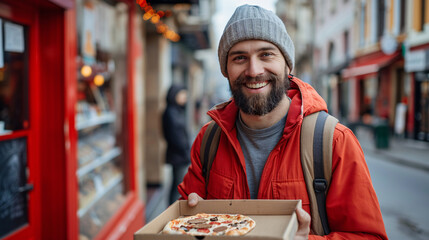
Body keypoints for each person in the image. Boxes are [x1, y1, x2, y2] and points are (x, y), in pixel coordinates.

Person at [177, 4, 388, 240]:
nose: (254, 70)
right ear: (226, 70)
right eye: (239, 58)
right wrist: (188, 216)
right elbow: (184, 222)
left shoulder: (335, 142)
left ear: (288, 64)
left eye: (266, 54)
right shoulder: (208, 140)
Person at [162, 84, 191, 205]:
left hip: (180, 154)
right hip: (178, 155)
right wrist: (185, 151)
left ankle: (172, 208)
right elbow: (174, 136)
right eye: (182, 94)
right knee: (177, 185)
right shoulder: (170, 112)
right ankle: (172, 209)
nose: (185, 97)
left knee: (177, 183)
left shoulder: (177, 110)